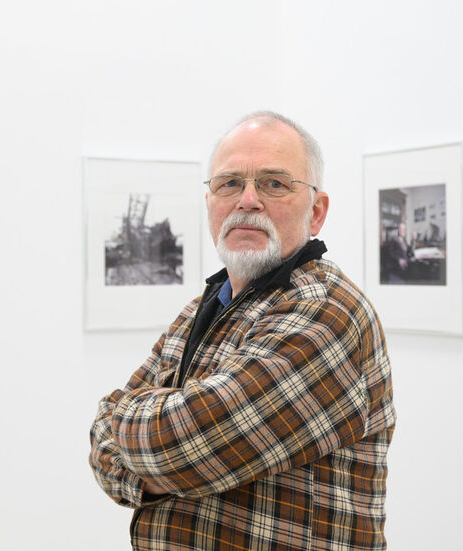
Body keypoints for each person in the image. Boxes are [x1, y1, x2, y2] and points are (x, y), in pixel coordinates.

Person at [89, 112, 396, 550]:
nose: (247, 200)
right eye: (229, 183)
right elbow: (101, 449)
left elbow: (185, 444)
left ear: (317, 212)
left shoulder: (327, 312)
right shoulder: (207, 305)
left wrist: (128, 421)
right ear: (210, 201)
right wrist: (146, 441)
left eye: (274, 183)